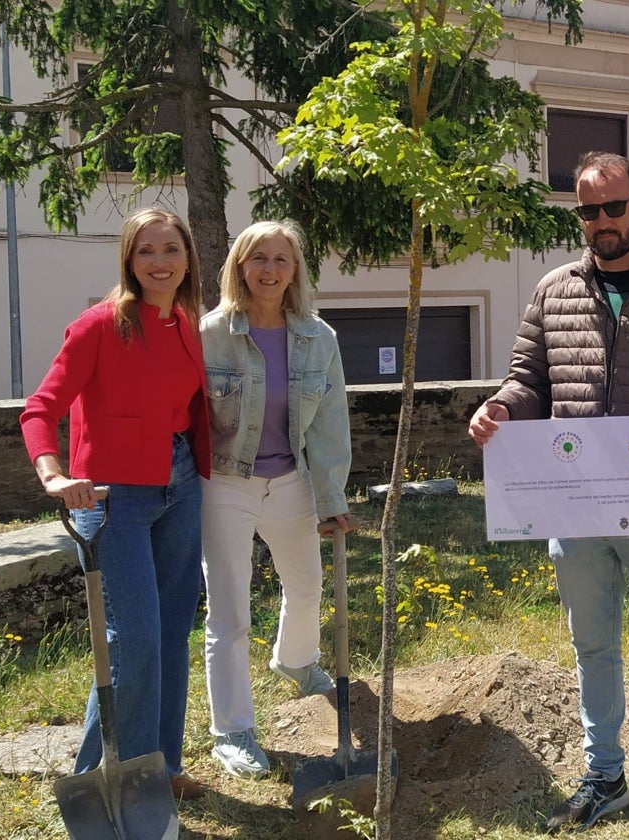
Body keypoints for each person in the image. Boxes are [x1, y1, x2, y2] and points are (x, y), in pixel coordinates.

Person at [468, 151, 629, 840]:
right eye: (589, 209)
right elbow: (527, 381)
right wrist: (499, 407)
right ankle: (605, 777)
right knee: (594, 648)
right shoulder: (552, 290)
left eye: (614, 206)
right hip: (571, 504)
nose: (603, 220)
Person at [20, 207, 212, 801]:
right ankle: (98, 781)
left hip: (179, 486)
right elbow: (40, 408)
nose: (160, 262)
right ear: (128, 260)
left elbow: (191, 409)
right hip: (112, 499)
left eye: (171, 250)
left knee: (172, 629)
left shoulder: (185, 322)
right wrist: (54, 473)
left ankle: (161, 765)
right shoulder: (99, 325)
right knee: (133, 638)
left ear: (188, 259)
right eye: (146, 251)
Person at [199, 219, 354, 780]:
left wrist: (331, 494)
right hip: (225, 483)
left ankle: (296, 662)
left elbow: (330, 426)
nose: (269, 269)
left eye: (281, 259)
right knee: (231, 611)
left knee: (307, 585)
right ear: (240, 266)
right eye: (257, 258)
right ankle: (234, 731)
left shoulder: (319, 337)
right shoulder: (210, 334)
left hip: (291, 479)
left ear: (295, 271)